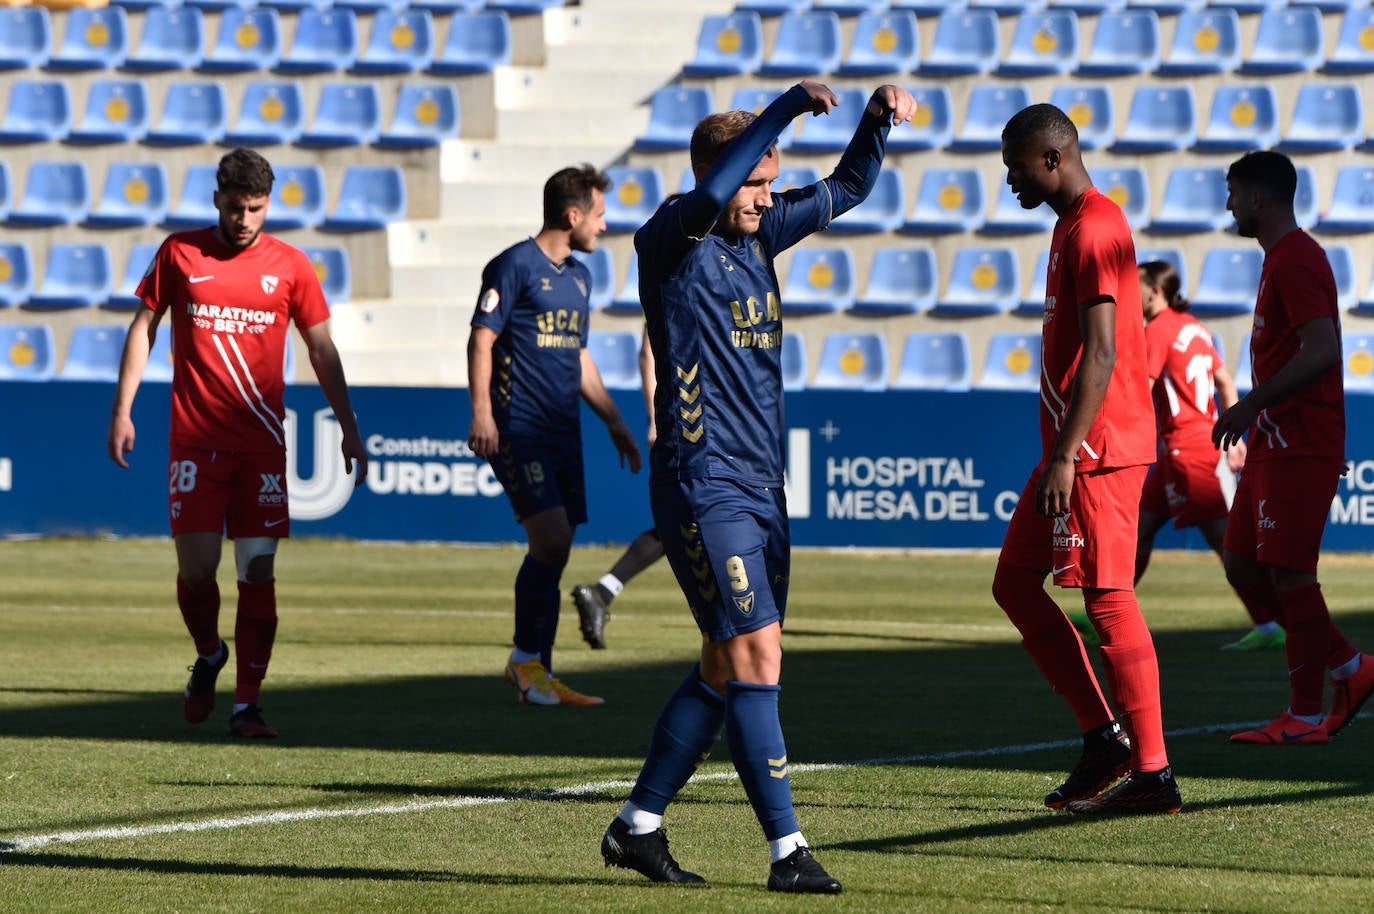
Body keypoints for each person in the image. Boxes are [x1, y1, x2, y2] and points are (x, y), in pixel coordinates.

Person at [599, 80, 918, 893]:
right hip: (703, 484)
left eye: (771, 184)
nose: (764, 198)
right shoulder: (670, 236)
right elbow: (712, 193)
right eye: (755, 183)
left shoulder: (759, 233)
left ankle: (638, 826)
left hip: (761, 487)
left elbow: (846, 189)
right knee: (757, 656)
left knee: (720, 664)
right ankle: (788, 852)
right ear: (716, 172)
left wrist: (877, 124)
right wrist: (782, 107)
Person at [106, 148, 368, 739]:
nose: (244, 219)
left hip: (261, 447)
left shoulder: (292, 265)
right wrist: (122, 410)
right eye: (234, 207)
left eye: (255, 208)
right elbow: (143, 328)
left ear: (268, 203)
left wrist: (349, 426)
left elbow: (321, 350)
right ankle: (208, 654)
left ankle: (247, 704)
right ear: (216, 200)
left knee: (258, 569)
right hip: (196, 442)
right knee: (198, 572)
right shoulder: (180, 252)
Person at [991, 104, 1181, 816]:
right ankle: (1105, 739)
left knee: (1108, 598)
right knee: (1014, 582)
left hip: (1097, 450)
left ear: (1051, 159)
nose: (1009, 180)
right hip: (1072, 450)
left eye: (1016, 167)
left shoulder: (1098, 226)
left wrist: (1068, 453)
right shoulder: (1070, 225)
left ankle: (1155, 774)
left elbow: (1103, 349)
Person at [467, 164, 642, 708]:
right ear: (573, 215)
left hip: (565, 431)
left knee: (559, 547)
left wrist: (613, 419)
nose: (604, 226)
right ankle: (526, 663)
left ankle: (537, 670)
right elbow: (481, 341)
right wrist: (483, 414)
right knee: (551, 539)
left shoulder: (580, 278)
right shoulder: (514, 265)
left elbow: (580, 355)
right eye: (600, 215)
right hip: (521, 426)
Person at [1215, 150, 1374, 745]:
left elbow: (1324, 350)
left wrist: (1251, 403)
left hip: (1302, 441)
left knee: (1288, 574)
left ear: (1258, 198)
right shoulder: (1279, 260)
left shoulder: (1297, 259)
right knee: (1242, 563)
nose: (1227, 204)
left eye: (1232, 192)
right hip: (1272, 442)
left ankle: (1306, 716)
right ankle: (1353, 669)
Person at [1136, 261, 1282, 652]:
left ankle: (1275, 623)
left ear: (1155, 291)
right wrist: (1234, 438)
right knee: (1139, 530)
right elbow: (1224, 380)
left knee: (1228, 545)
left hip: (1189, 450)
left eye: (1137, 285)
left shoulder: (1158, 329)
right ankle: (1109, 611)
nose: (1132, 293)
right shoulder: (1195, 327)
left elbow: (1143, 388)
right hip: (1187, 448)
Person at [571, 328, 665, 649]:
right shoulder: (674, 279)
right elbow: (649, 351)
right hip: (688, 422)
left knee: (689, 522)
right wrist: (656, 417)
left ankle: (603, 592)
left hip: (723, 421)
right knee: (692, 519)